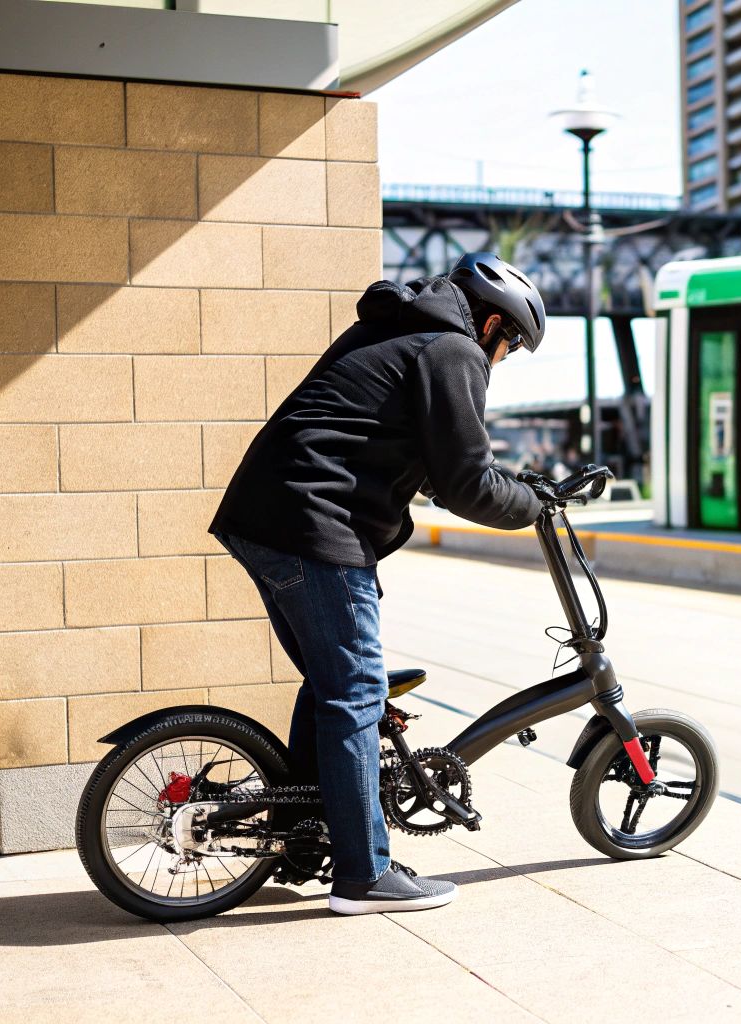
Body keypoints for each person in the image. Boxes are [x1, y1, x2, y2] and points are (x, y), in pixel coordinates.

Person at [209, 252, 546, 916]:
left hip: (271, 516)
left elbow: (401, 447)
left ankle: (309, 835)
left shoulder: (406, 331)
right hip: (312, 525)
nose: (501, 363)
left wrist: (498, 486)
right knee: (357, 692)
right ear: (493, 326)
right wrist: (533, 503)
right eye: (510, 347)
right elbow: (469, 481)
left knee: (334, 687)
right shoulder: (453, 351)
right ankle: (364, 873)